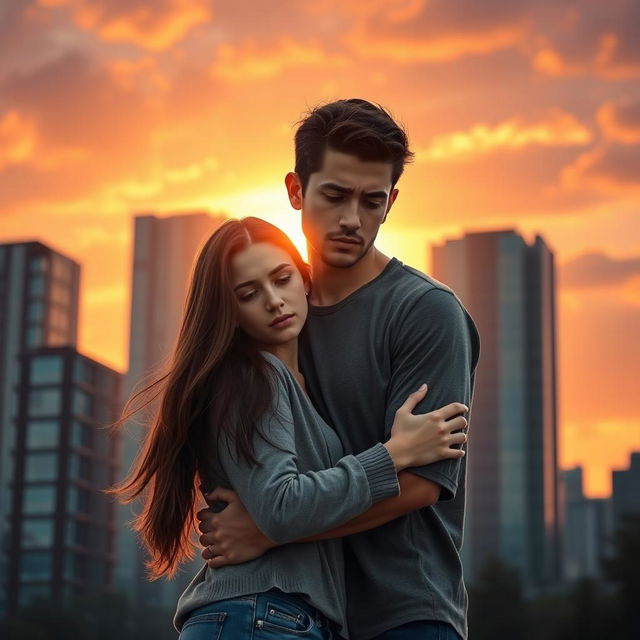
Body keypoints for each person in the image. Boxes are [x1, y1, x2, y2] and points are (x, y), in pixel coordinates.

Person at [197, 99, 481, 640]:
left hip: (406, 611)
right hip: (306, 612)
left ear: (391, 202)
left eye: (372, 201)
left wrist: (271, 533)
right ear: (295, 191)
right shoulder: (280, 318)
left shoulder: (426, 312)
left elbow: (421, 483)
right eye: (334, 196)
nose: (353, 219)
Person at [111, 216, 470, 639]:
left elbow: (279, 512)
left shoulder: (294, 385)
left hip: (272, 618)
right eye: (249, 294)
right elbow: (281, 505)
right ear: (231, 314)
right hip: (260, 615)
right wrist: (394, 455)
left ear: (304, 280)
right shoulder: (252, 377)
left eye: (282, 279)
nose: (274, 301)